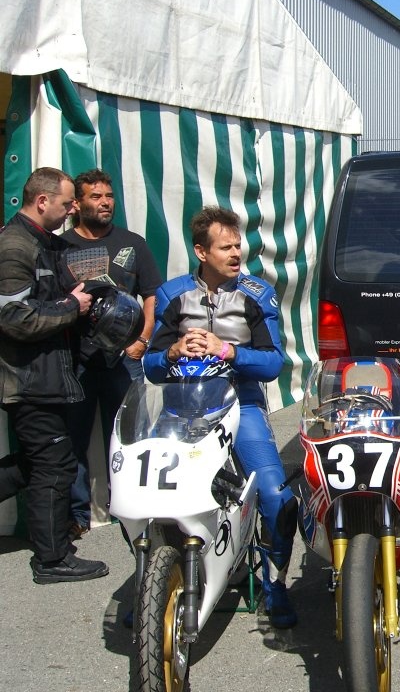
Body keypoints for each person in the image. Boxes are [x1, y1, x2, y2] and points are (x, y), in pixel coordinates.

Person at [143, 206, 298, 629]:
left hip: (240, 401)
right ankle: (152, 586)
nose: (236, 253)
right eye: (225, 247)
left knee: (276, 497)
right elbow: (151, 367)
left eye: (237, 245)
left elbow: (273, 364)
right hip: (182, 404)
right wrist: (172, 351)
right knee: (144, 491)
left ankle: (275, 582)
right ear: (201, 252)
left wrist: (227, 350)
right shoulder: (173, 293)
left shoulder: (257, 294)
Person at [0, 167, 109, 583]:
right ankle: (51, 559)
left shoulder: (45, 243)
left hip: (48, 375)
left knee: (42, 461)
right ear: (42, 201)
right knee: (54, 464)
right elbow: (13, 317)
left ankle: (52, 550)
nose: (72, 210)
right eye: (66, 203)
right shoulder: (15, 245)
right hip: (28, 379)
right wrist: (70, 307)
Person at [62, 169, 161, 539]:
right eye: (95, 196)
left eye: (109, 196)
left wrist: (142, 340)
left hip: (124, 358)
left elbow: (152, 294)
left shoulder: (132, 243)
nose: (105, 203)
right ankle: (76, 515)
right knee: (73, 438)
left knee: (128, 436)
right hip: (77, 360)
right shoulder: (61, 246)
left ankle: (128, 506)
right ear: (77, 204)